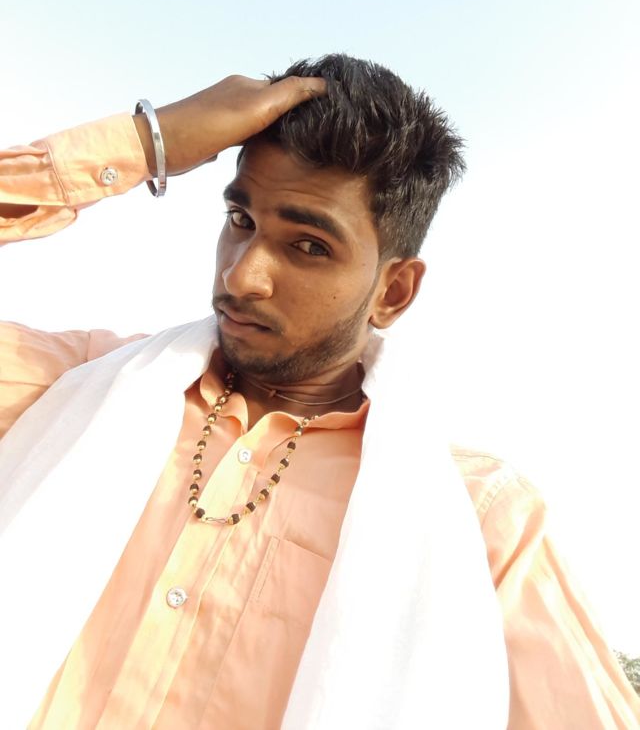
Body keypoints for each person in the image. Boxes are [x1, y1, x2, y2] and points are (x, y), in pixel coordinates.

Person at [0, 55, 638, 730]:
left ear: (393, 292)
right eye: (241, 220)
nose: (241, 277)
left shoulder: (481, 525)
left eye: (308, 246)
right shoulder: (73, 386)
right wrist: (146, 142)